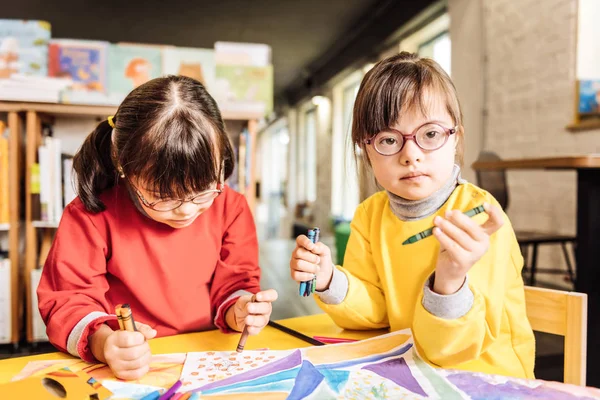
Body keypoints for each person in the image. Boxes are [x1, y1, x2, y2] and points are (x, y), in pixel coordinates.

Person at [290, 52, 535, 378]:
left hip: (487, 378)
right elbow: (375, 312)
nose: (411, 155)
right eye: (389, 139)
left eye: (430, 134)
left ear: (455, 137)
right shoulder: (369, 215)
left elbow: (458, 350)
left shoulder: (478, 217)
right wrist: (328, 278)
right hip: (412, 371)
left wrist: (449, 280)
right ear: (366, 150)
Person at [38, 75, 277, 380]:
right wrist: (106, 343)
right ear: (123, 165)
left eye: (204, 189)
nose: (187, 209)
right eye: (164, 197)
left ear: (222, 160)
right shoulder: (91, 214)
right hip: (128, 365)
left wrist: (241, 309)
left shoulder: (231, 206)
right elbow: (68, 300)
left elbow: (236, 284)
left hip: (208, 357)